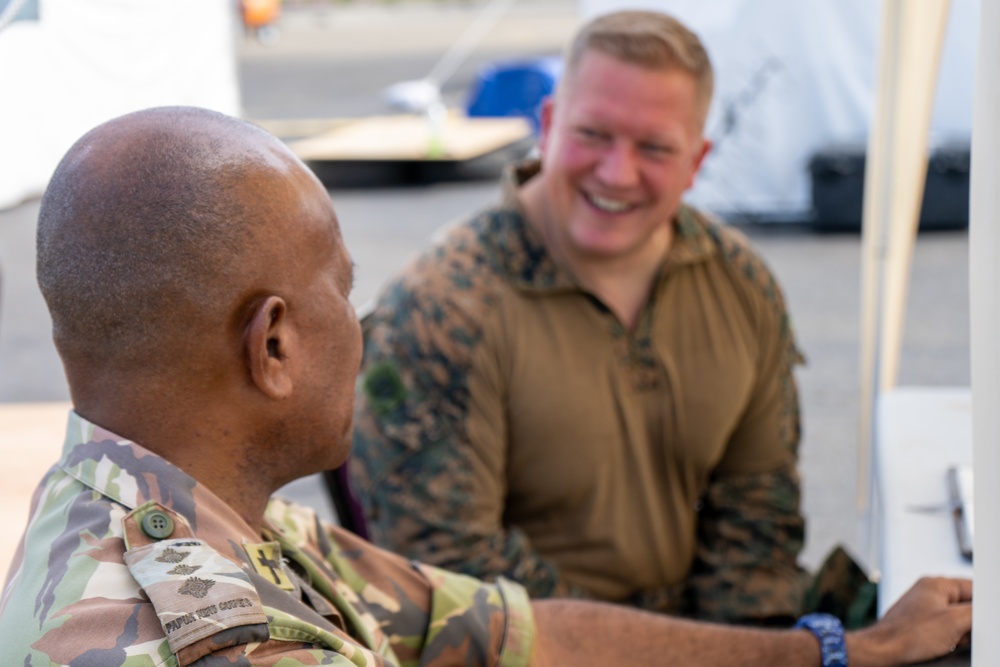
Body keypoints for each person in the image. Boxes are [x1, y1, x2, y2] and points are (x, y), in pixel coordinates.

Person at [0, 106, 971, 666]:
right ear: (276, 345)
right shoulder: (210, 640)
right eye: (343, 290)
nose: (365, 323)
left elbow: (524, 632)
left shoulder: (185, 509)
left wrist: (844, 649)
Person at [351, 9, 819, 624]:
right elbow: (448, 572)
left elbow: (759, 518)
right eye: (593, 135)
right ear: (547, 125)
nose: (616, 173)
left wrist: (738, 648)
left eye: (654, 147)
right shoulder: (446, 304)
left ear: (697, 160)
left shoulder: (738, 284)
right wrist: (661, 651)